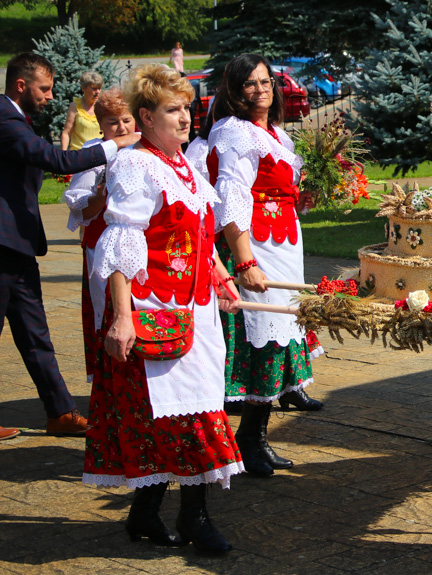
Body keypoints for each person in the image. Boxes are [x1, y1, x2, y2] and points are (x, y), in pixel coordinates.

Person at [83, 64, 243, 554]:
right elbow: (122, 240)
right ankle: (194, 518)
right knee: (187, 419)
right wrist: (122, 316)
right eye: (173, 110)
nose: (185, 118)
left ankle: (145, 513)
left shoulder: (186, 168)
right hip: (156, 310)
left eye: (188, 109)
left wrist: (220, 275)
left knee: (187, 412)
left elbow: (199, 234)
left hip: (196, 312)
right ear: (146, 117)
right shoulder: (135, 163)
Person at [0, 52, 138, 437]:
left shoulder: (16, 117)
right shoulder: (3, 116)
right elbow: (54, 159)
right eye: (44, 89)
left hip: (17, 247)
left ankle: (60, 413)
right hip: (2, 246)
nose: (50, 96)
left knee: (35, 333)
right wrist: (116, 145)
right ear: (21, 85)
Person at [207, 53, 322, 477]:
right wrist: (244, 262)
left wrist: (301, 197)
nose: (260, 90)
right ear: (234, 92)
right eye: (250, 84)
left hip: (284, 244)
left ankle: (254, 438)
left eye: (265, 81)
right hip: (258, 245)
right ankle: (247, 441)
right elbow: (232, 199)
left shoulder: (274, 134)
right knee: (265, 339)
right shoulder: (234, 133)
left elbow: (280, 190)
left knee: (280, 337)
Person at [63, 87, 135, 384]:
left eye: (127, 120)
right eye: (113, 122)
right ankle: (110, 382)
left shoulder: (145, 148)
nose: (122, 128)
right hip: (102, 248)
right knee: (106, 312)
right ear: (101, 125)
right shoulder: (94, 153)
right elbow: (78, 203)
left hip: (140, 249)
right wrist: (102, 196)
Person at [60, 71, 103, 151]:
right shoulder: (75, 106)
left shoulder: (103, 105)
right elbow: (66, 133)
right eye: (94, 88)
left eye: (99, 88)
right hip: (78, 154)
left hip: (99, 154)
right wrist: (63, 155)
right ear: (83, 88)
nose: (97, 92)